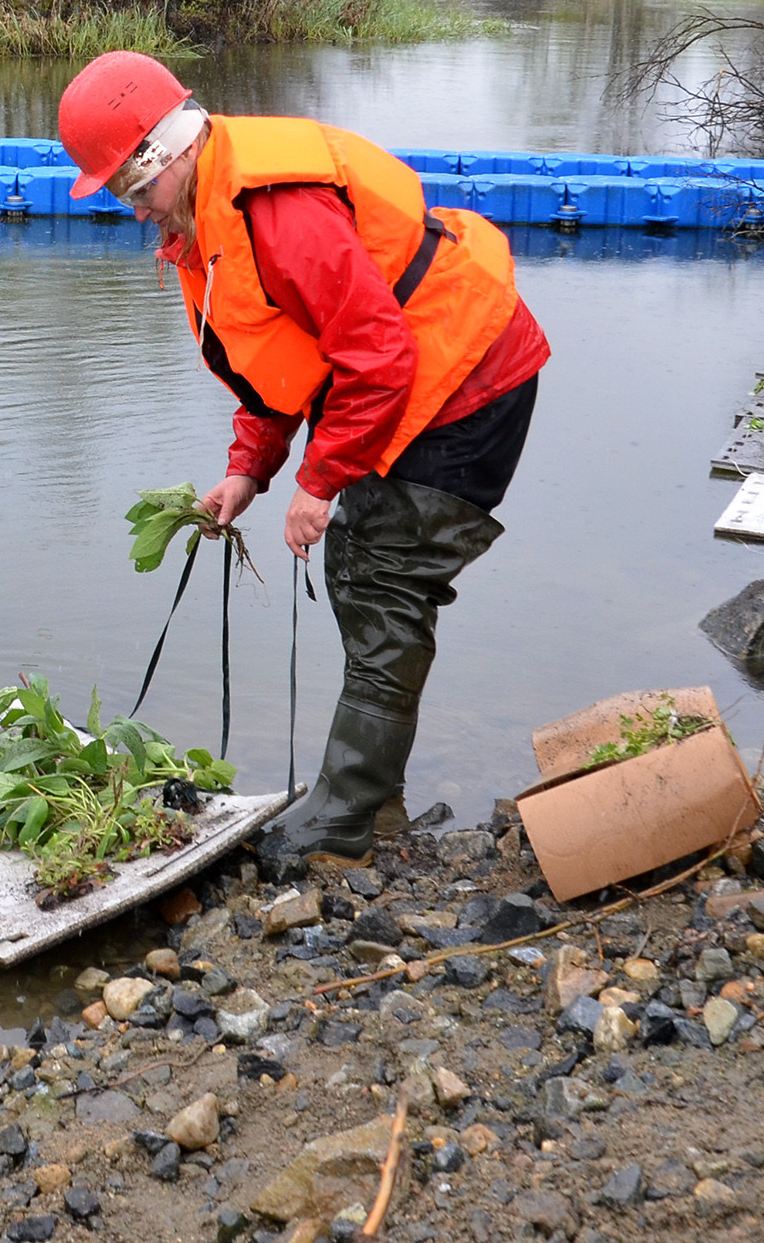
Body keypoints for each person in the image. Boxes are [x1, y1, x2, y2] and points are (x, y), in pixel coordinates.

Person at [57, 52, 550, 867]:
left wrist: (317, 485)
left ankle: (347, 819)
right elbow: (279, 361)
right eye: (119, 195)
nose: (135, 210)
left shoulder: (276, 211)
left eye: (132, 189)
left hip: (468, 376)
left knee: (382, 571)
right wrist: (250, 469)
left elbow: (375, 355)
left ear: (169, 152)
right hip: (415, 377)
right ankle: (372, 797)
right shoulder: (208, 214)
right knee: (365, 563)